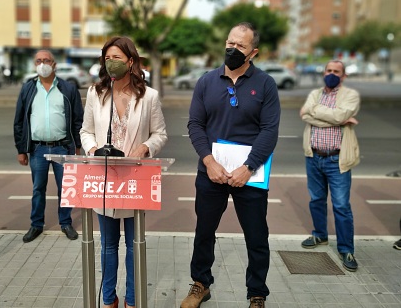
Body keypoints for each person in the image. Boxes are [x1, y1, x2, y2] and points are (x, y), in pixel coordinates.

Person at [181, 22, 280, 308]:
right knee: (204, 232)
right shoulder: (206, 81)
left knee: (257, 236)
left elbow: (269, 131)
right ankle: (201, 284)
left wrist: (248, 167)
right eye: (230, 43)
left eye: (240, 46)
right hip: (211, 173)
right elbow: (195, 124)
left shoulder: (265, 84)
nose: (232, 49)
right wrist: (208, 161)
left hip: (249, 175)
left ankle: (256, 293)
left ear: (254, 52)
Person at [80, 36, 167, 308]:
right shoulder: (96, 93)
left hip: (134, 181)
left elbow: (160, 134)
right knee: (107, 246)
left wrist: (145, 147)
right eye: (107, 58)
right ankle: (108, 299)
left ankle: (131, 299)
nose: (111, 63)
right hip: (103, 180)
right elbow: (86, 131)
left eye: (117, 57)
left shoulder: (149, 96)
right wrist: (92, 149)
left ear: (131, 61)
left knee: (133, 245)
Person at [14, 50, 83, 243]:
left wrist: (77, 146)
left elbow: (78, 119)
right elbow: (19, 121)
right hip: (37, 149)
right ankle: (36, 224)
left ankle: (66, 223)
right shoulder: (28, 88)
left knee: (66, 188)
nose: (42, 63)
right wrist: (21, 149)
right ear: (34, 64)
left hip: (63, 147)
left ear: (54, 64)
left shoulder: (67, 88)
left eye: (46, 60)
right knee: (38, 188)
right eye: (38, 60)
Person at [300, 60, 361, 272]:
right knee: (316, 199)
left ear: (343, 76)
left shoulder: (350, 95)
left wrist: (320, 113)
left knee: (341, 206)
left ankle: (346, 249)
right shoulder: (315, 94)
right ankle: (320, 235)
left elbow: (338, 115)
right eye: (329, 71)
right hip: (313, 157)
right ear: (323, 72)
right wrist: (337, 118)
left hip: (337, 160)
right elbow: (304, 113)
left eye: (336, 71)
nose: (332, 74)